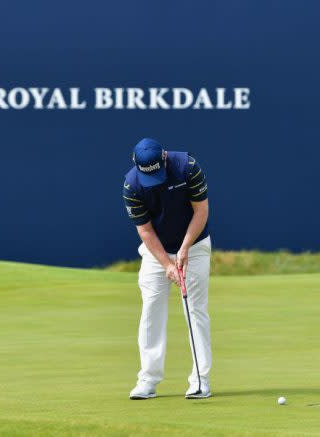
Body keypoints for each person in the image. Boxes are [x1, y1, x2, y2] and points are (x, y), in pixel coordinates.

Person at [123, 137, 213, 399]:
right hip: (156, 252)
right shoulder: (132, 184)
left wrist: (184, 249)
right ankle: (148, 380)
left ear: (164, 156)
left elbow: (201, 211)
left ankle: (200, 380)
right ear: (136, 165)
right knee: (151, 308)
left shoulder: (188, 166)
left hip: (194, 246)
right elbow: (145, 230)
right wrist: (166, 264)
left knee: (195, 309)